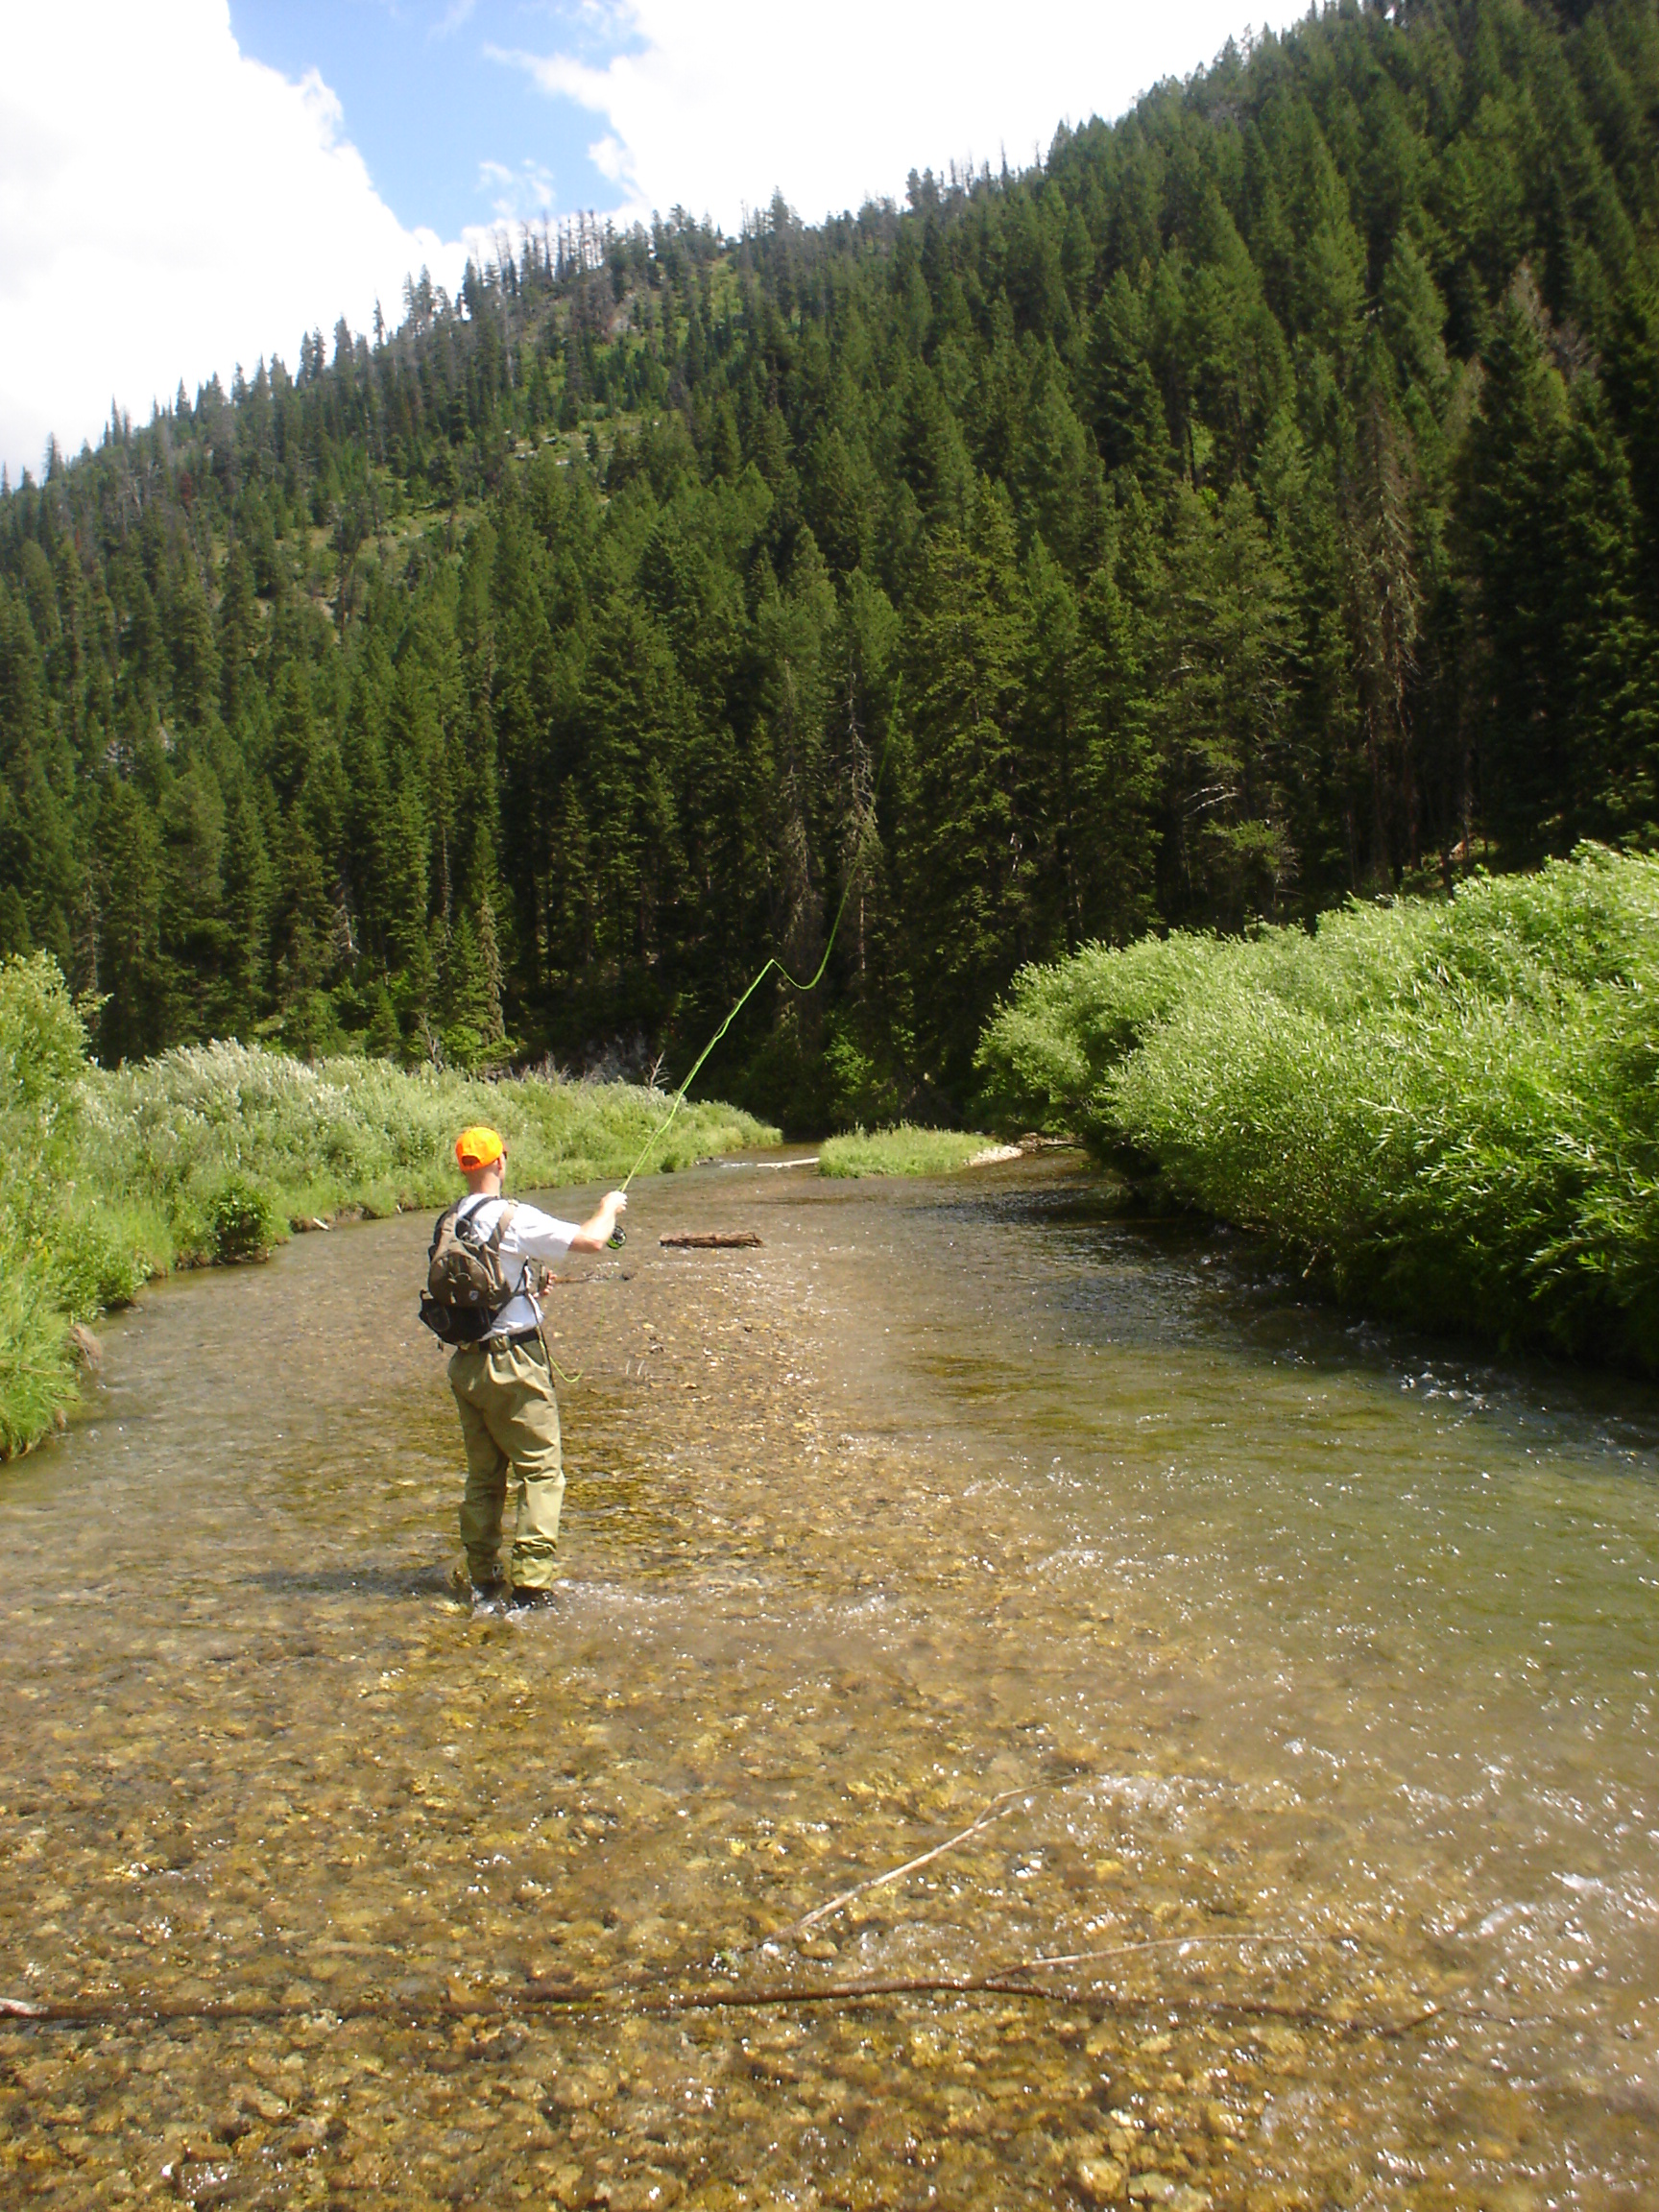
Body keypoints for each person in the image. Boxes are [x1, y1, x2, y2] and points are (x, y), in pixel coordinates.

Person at [443, 1124, 626, 1614]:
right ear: (500, 1161)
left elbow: (479, 1286)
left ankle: (483, 1579)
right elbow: (590, 1241)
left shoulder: (450, 1220)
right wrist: (609, 1206)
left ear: (464, 1166)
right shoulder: (513, 1218)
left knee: (484, 1476)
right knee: (541, 1473)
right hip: (514, 1365)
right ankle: (531, 1587)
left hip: (466, 1365)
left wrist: (526, 1294)